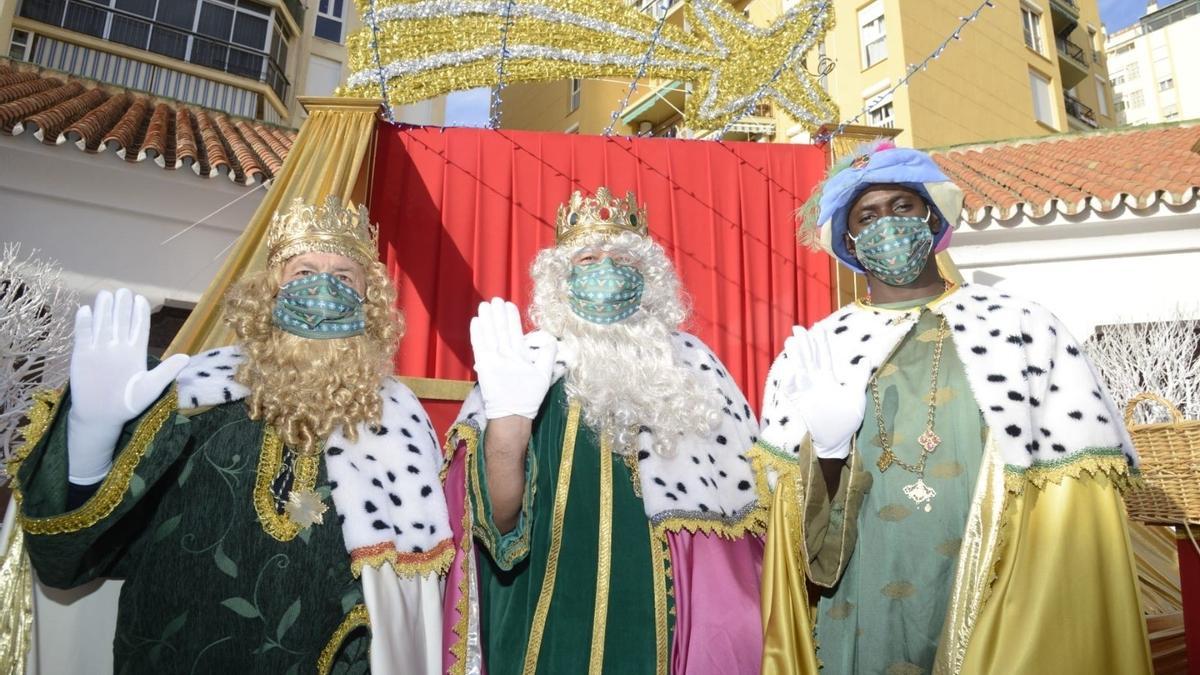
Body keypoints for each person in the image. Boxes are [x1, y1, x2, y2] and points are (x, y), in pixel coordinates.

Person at [754, 141, 1152, 674]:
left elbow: (1073, 507)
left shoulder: (1019, 326)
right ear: (849, 240)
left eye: (902, 207)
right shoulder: (821, 346)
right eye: (866, 216)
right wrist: (824, 450)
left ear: (932, 215)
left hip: (999, 578)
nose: (886, 225)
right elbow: (791, 538)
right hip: (863, 590)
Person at [9, 196, 451, 673]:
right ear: (270, 291)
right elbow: (68, 559)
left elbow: (416, 609)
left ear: (371, 304)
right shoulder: (193, 394)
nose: (323, 290)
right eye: (302, 273)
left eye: (344, 277)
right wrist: (90, 434)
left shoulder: (402, 423)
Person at [440, 188, 765, 674]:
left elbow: (746, 539)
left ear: (649, 280)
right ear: (561, 281)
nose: (606, 271)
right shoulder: (525, 367)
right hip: (539, 630)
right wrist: (508, 419)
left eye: (622, 260)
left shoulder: (695, 372)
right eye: (589, 258)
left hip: (668, 636)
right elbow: (495, 530)